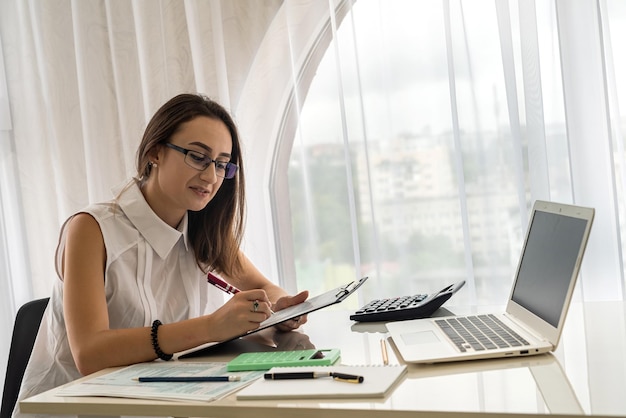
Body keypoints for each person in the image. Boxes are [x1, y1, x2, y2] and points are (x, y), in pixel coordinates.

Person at [13, 93, 309, 417]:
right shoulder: (90, 229)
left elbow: (267, 289)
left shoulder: (202, 231)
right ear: (155, 151)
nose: (211, 177)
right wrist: (211, 327)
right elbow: (90, 354)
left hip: (156, 405)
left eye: (222, 164)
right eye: (198, 157)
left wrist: (281, 308)